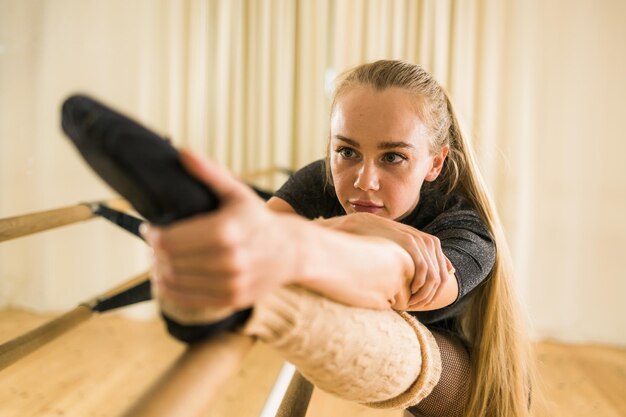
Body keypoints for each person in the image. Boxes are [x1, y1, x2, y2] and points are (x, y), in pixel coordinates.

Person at [142, 60, 534, 417]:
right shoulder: (323, 178)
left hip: (463, 376)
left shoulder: (465, 228)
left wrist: (327, 234)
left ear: (434, 163)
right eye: (346, 151)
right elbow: (258, 235)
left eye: (393, 157)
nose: (364, 181)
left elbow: (399, 281)